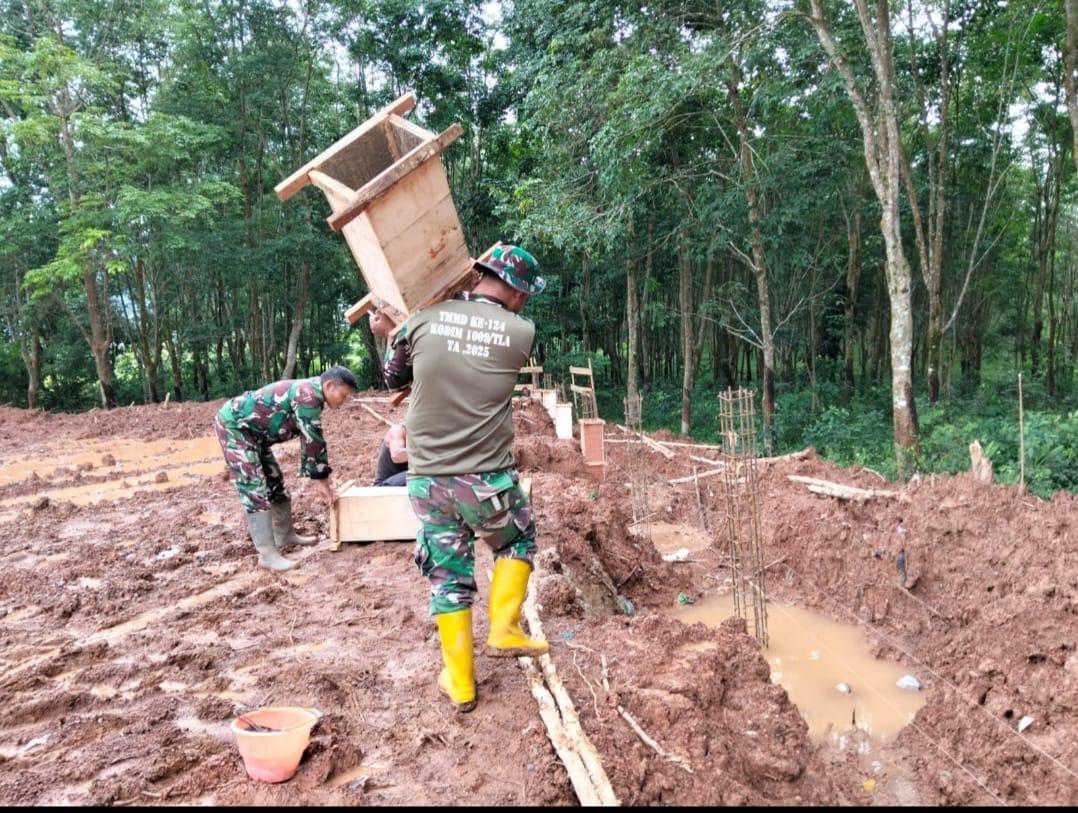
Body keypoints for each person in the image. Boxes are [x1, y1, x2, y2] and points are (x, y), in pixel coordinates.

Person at [385, 244, 549, 714]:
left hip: (428, 481)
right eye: (526, 295)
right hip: (485, 481)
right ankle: (504, 628)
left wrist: (396, 331)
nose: (526, 304)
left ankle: (460, 683)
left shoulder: (423, 319)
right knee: (517, 539)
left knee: (447, 579)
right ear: (516, 291)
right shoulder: (522, 333)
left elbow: (393, 377)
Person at [214, 366, 357, 572]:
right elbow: (313, 439)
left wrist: (321, 477)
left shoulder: (313, 392)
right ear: (329, 385)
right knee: (254, 486)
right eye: (343, 395)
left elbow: (309, 440)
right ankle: (267, 555)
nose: (342, 402)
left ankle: (284, 534)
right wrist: (321, 480)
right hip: (235, 427)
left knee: (275, 481)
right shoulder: (309, 396)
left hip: (255, 434)